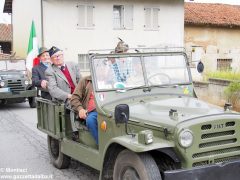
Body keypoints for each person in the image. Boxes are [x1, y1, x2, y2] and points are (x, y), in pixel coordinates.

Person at [45, 46, 81, 139]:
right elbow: (53, 89)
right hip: (63, 99)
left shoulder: (73, 65)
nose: (57, 58)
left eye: (59, 55)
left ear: (62, 55)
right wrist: (68, 96)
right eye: (54, 57)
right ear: (51, 60)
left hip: (77, 94)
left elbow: (80, 80)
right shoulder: (50, 71)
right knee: (74, 104)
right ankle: (75, 131)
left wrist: (82, 92)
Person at [70, 76, 98, 145]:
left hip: (109, 109)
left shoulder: (113, 79)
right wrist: (80, 109)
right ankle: (101, 145)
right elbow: (74, 98)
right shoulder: (86, 81)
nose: (103, 68)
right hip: (93, 111)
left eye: (106, 65)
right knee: (90, 120)